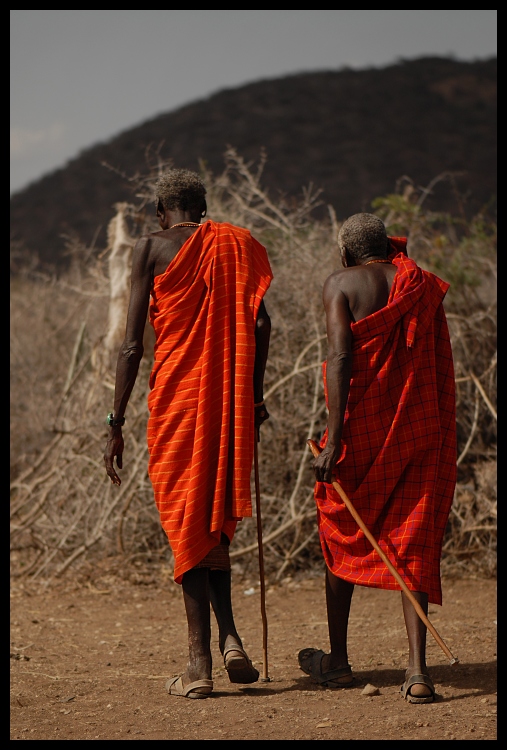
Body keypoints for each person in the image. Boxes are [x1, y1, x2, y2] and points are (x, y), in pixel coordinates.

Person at [103, 168, 273, 699]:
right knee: (212, 517)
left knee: (185, 519)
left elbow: (131, 345)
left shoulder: (150, 248)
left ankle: (199, 665)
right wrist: (255, 394)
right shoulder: (237, 244)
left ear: (160, 212)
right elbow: (262, 324)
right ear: (203, 207)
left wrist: (116, 420)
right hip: (227, 400)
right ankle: (229, 637)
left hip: (177, 399)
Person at [298, 213, 456, 704]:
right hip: (418, 425)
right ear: (388, 248)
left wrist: (335, 437)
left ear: (346, 253)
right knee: (412, 539)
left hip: (360, 429)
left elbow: (341, 358)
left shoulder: (341, 283)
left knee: (338, 526)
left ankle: (339, 661)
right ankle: (417, 672)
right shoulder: (420, 286)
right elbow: (435, 360)